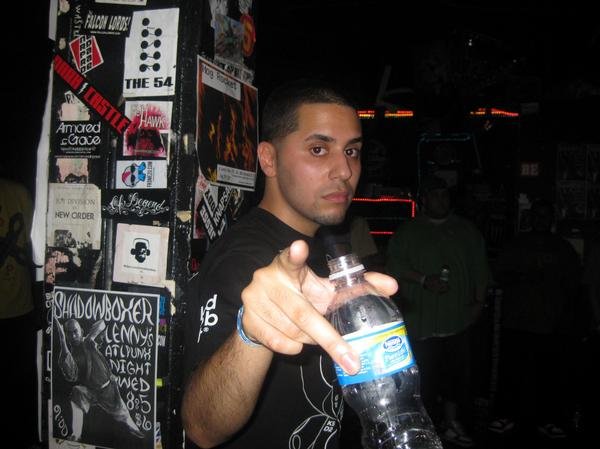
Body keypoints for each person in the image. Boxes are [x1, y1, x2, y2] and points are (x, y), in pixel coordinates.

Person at [181, 79, 398, 449]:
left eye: (351, 151)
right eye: (318, 149)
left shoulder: (319, 248)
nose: (344, 171)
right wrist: (251, 333)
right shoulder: (246, 258)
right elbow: (201, 426)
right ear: (269, 159)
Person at [385, 174, 489, 448]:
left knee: (457, 379)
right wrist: (423, 279)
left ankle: (452, 424)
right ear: (423, 200)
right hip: (421, 322)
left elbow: (481, 270)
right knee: (423, 382)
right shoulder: (408, 232)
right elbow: (394, 265)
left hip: (458, 320)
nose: (441, 200)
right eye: (434, 195)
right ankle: (423, 429)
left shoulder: (466, 230)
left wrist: (478, 304)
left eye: (444, 195)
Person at [488, 198, 582, 440]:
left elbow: (574, 285)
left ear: (551, 219)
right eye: (537, 215)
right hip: (517, 322)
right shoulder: (516, 244)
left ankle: (548, 419)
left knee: (549, 376)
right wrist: (523, 276)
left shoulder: (563, 248)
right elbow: (497, 275)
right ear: (530, 218)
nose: (541, 220)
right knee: (511, 373)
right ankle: (506, 415)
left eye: (545, 215)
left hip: (551, 325)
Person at [53, 316, 144, 442]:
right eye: (69, 333)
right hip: (91, 392)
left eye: (75, 331)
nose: (73, 336)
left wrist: (91, 336)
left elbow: (102, 323)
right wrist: (62, 341)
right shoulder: (70, 356)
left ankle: (139, 433)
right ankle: (76, 434)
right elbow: (71, 376)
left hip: (108, 391)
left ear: (81, 331)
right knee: (77, 391)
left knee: (127, 420)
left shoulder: (89, 343)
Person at [0, 176, 39, 449]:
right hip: (21, 311)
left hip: (20, 310)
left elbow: (31, 253)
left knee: (20, 389)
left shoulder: (19, 192)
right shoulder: (19, 192)